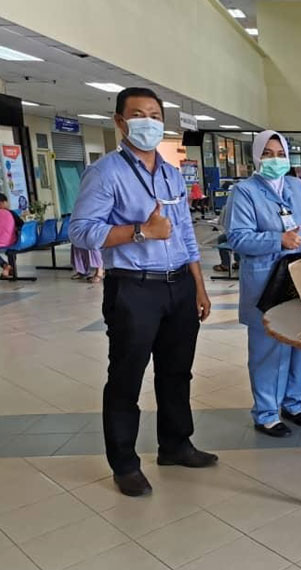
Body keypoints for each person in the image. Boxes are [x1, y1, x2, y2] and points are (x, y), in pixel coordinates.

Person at [69, 87, 215, 498]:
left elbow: (185, 233)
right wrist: (140, 231)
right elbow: (80, 232)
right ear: (120, 121)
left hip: (178, 286)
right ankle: (125, 463)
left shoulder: (171, 173)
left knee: (176, 372)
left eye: (154, 115)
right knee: (126, 378)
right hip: (134, 289)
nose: (148, 122)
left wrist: (199, 286)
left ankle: (175, 444)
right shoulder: (105, 173)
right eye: (138, 114)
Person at [227, 131, 301, 437]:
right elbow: (237, 237)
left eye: (280, 152)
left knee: (299, 343)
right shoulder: (244, 192)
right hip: (265, 282)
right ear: (256, 157)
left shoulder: (297, 187)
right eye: (267, 153)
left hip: (299, 278)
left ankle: (293, 403)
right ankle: (267, 413)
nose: (275, 159)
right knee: (268, 348)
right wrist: (277, 240)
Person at [0, 193, 22, 278]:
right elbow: (21, 224)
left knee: (9, 249)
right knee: (11, 248)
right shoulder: (11, 213)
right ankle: (11, 269)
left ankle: (5, 266)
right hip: (13, 241)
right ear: (2, 203)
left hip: (3, 242)